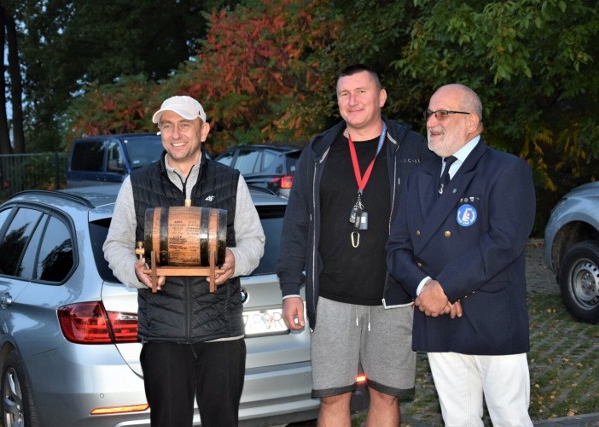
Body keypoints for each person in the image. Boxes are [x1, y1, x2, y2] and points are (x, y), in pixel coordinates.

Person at [277, 64, 434, 426]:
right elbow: (296, 222)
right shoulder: (318, 153)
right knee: (333, 399)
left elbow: (434, 219)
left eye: (361, 91)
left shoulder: (411, 149)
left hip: (394, 296)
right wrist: (289, 289)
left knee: (386, 396)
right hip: (331, 298)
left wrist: (428, 282)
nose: (353, 101)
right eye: (344, 94)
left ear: (381, 97)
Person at [103, 95, 265, 427]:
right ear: (160, 132)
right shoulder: (135, 184)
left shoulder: (230, 181)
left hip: (222, 334)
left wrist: (236, 258)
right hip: (163, 335)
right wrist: (134, 271)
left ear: (203, 131)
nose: (176, 134)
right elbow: (114, 245)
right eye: (167, 126)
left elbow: (255, 241)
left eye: (185, 125)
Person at [386, 83, 536, 426]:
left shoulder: (506, 170)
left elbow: (503, 243)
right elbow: (397, 247)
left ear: (472, 121)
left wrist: (446, 288)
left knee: (509, 417)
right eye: (429, 114)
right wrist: (426, 288)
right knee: (457, 419)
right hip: (439, 318)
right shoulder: (418, 177)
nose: (431, 122)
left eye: (443, 113)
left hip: (492, 318)